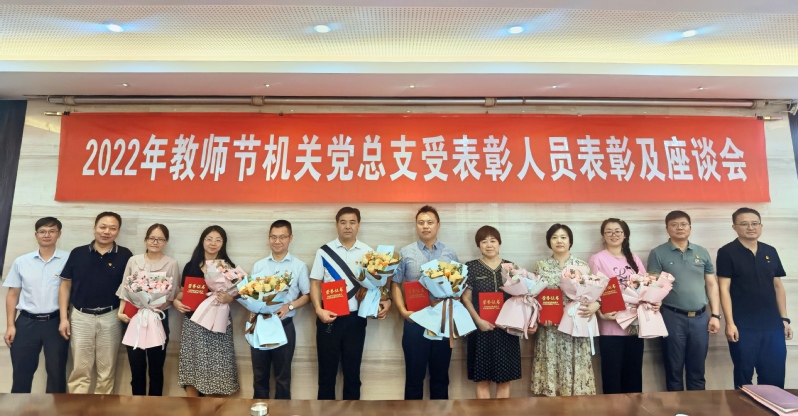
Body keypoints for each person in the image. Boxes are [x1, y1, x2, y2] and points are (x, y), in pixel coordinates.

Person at [309, 206, 390, 400]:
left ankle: (352, 411)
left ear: (358, 225)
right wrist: (318, 310)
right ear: (336, 225)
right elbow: (315, 283)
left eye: (352, 222)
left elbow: (378, 285)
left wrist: (384, 300)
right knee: (326, 375)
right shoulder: (324, 252)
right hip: (329, 318)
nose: (348, 226)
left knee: (353, 374)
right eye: (343, 222)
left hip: (356, 320)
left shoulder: (368, 252)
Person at [717, 207, 793, 388]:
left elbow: (778, 286)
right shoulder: (727, 252)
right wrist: (730, 323)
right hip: (743, 325)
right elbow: (723, 289)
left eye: (754, 223)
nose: (750, 227)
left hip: (772, 325)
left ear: (761, 226)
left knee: (774, 377)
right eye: (744, 224)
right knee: (744, 378)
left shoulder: (770, 251)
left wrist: (784, 319)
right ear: (735, 227)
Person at [58, 211, 133, 394]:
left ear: (118, 231)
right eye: (103, 227)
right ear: (94, 228)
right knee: (80, 369)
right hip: (81, 317)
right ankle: (77, 406)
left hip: (111, 317)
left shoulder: (125, 255)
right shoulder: (78, 253)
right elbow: (65, 285)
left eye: (112, 228)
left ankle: (102, 406)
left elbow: (130, 288)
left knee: (106, 370)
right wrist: (64, 318)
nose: (107, 231)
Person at [647, 210, 720, 391]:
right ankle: (676, 406)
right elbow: (652, 283)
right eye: (674, 225)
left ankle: (698, 405)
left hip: (700, 318)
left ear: (690, 227)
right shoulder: (658, 253)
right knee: (674, 370)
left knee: (697, 370)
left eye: (683, 224)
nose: (679, 228)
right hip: (672, 317)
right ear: (667, 228)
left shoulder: (701, 252)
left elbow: (711, 284)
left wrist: (715, 315)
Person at [391, 205, 459, 400]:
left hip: (442, 322)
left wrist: (452, 297)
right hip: (415, 321)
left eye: (430, 222)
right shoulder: (405, 252)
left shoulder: (449, 253)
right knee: (414, 378)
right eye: (421, 223)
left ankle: (440, 412)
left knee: (440, 378)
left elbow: (457, 286)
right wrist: (403, 311)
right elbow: (395, 284)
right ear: (416, 226)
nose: (425, 226)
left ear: (438, 225)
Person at [172, 225, 240, 397]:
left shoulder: (229, 268)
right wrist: (175, 301)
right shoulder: (191, 266)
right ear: (202, 241)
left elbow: (238, 295)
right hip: (194, 322)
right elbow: (183, 291)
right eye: (209, 239)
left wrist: (230, 298)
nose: (213, 243)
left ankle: (214, 407)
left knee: (217, 366)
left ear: (223, 243)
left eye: (218, 240)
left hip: (218, 323)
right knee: (193, 364)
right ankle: (193, 406)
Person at [531, 223, 598, 396]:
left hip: (576, 325)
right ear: (549, 242)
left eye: (563, 237)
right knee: (552, 366)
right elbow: (535, 296)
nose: (559, 241)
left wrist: (596, 305)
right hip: (550, 328)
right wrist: (540, 316)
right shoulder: (541, 266)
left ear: (570, 241)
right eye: (554, 237)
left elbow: (594, 293)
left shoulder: (582, 266)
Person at [4, 217, 69, 393]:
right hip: (26, 323)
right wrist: (10, 325)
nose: (47, 235)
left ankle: (55, 407)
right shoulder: (21, 261)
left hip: (55, 323)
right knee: (21, 373)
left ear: (59, 234)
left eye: (52, 231)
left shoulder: (68, 259)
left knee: (56, 373)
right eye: (42, 231)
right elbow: (13, 294)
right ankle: (19, 406)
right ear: (36, 234)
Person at [116, 223, 180, 396]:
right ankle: (137, 403)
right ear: (145, 240)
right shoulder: (133, 260)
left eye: (160, 239)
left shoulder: (171, 263)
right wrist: (121, 312)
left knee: (156, 367)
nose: (155, 242)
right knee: (136, 366)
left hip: (158, 318)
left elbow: (172, 293)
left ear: (166, 242)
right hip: (134, 318)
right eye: (152, 238)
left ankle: (155, 405)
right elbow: (125, 288)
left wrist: (153, 307)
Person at [249, 219, 310, 399]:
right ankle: (259, 410)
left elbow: (307, 295)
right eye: (273, 237)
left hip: (284, 325)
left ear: (290, 238)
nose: (277, 241)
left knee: (283, 378)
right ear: (269, 238)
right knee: (259, 376)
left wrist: (289, 306)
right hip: (260, 325)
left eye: (282, 237)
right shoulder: (259, 265)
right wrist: (251, 309)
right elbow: (251, 294)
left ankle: (283, 411)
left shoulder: (299, 266)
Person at [461, 225, 524, 399]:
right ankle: (485, 412)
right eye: (484, 241)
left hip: (506, 331)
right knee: (483, 380)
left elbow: (520, 298)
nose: (489, 245)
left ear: (499, 243)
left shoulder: (511, 267)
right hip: (480, 330)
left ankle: (502, 412)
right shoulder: (471, 267)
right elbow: (466, 298)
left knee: (504, 380)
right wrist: (478, 321)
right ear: (478, 245)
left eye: (493, 241)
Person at [588, 218, 648, 394]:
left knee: (634, 377)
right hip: (611, 327)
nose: (613, 235)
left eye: (618, 231)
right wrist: (600, 312)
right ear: (603, 235)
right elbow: (591, 291)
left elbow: (646, 286)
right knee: (612, 378)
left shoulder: (634, 258)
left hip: (634, 327)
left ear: (625, 234)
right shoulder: (597, 259)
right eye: (609, 231)